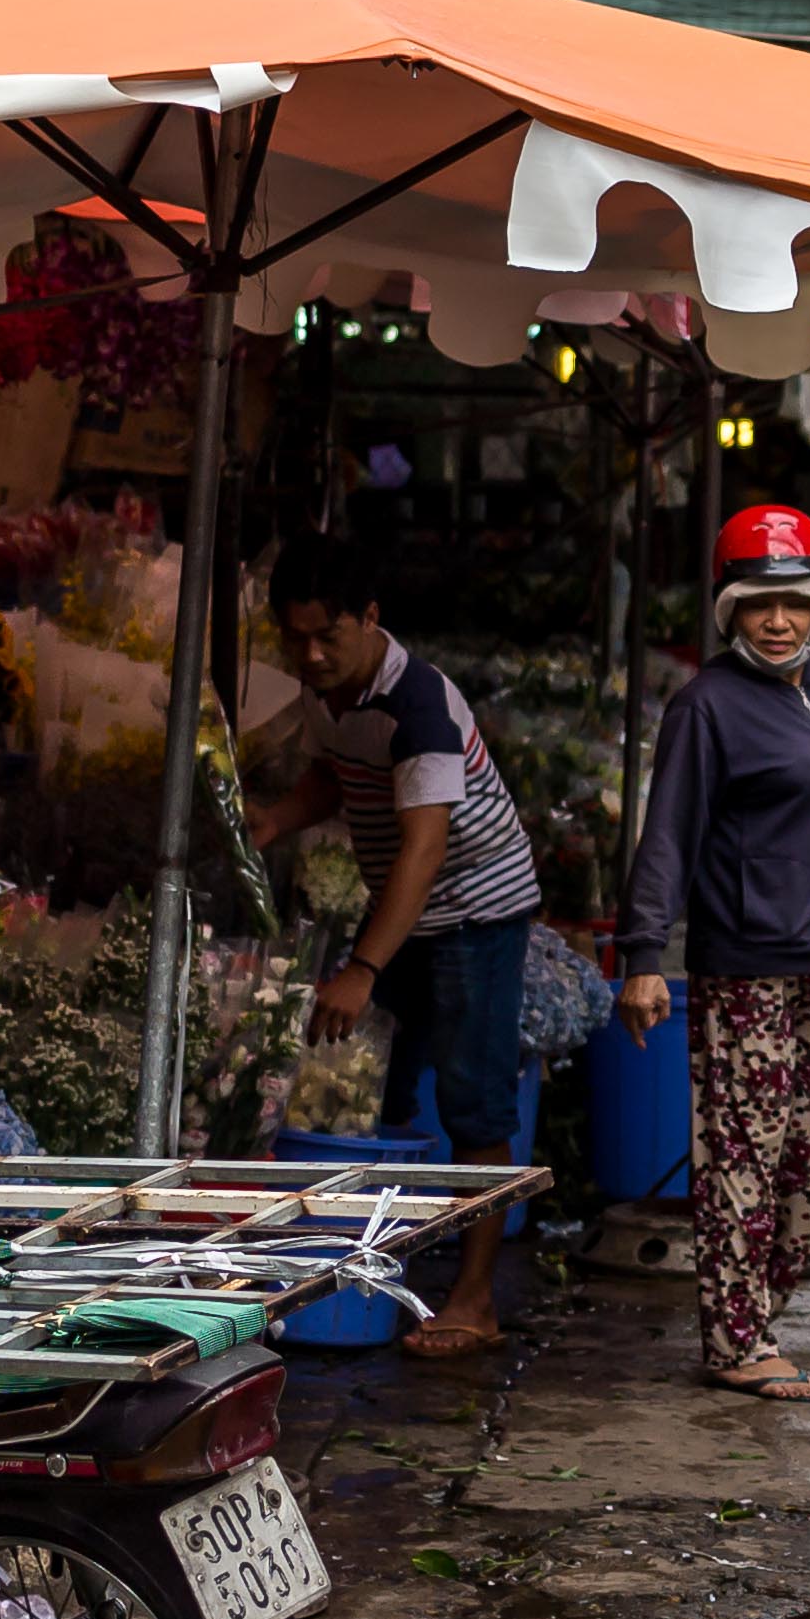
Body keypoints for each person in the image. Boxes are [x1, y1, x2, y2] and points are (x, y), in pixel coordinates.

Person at [618, 504, 810, 1403]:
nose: (778, 621)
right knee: (744, 1149)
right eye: (757, 606)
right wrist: (641, 955)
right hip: (745, 962)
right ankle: (735, 1338)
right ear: (731, 613)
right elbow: (666, 834)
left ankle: (758, 1309)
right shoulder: (706, 706)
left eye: (793, 603)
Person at [257, 539, 547, 1359]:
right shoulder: (333, 691)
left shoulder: (418, 706)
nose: (310, 655)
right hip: (407, 907)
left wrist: (362, 967)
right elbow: (338, 771)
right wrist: (276, 818)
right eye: (295, 638)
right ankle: (390, 1267)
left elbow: (423, 851)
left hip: (471, 910)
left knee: (475, 1102)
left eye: (328, 637)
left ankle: (477, 1297)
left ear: (371, 619)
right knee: (387, 1089)